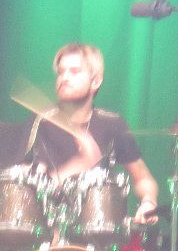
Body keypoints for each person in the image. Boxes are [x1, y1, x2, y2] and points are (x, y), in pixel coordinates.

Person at [19, 42, 159, 225]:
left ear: (96, 81)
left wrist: (148, 202)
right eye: (61, 72)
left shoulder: (112, 124)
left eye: (74, 71)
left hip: (98, 231)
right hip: (48, 231)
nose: (64, 78)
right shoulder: (39, 122)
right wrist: (80, 163)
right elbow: (23, 191)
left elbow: (143, 178)